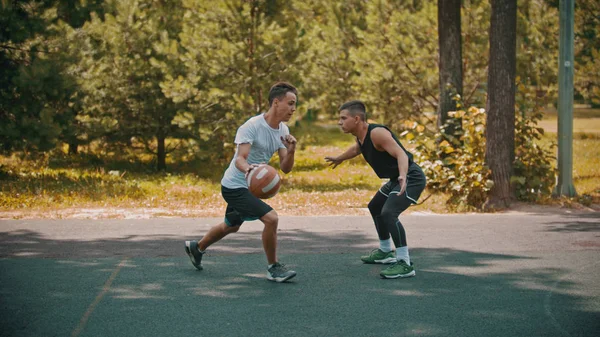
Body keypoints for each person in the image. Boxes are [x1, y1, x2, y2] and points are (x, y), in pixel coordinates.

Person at [185, 82, 299, 283]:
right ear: (276, 102)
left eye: (294, 104)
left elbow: (286, 167)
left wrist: (290, 151)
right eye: (290, 103)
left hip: (250, 189)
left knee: (231, 226)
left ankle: (197, 248)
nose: (293, 108)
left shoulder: (283, 129)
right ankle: (274, 268)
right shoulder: (252, 126)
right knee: (271, 219)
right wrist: (250, 171)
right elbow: (240, 159)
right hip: (235, 186)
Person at [325, 100, 426, 279]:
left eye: (343, 118)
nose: (339, 122)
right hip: (397, 178)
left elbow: (401, 154)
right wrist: (340, 158)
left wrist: (403, 175)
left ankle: (405, 263)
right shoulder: (361, 136)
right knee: (375, 207)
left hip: (410, 178)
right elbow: (358, 149)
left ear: (357, 119)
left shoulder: (377, 133)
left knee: (389, 213)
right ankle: (386, 251)